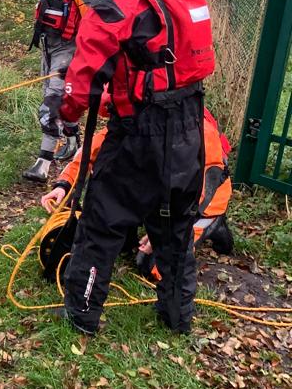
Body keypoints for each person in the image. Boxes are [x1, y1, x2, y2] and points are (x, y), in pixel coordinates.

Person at [57, 0, 215, 335]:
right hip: (189, 130)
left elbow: (81, 83)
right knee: (176, 231)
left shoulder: (114, 5)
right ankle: (177, 318)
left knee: (102, 222)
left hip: (139, 137)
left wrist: (64, 113)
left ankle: (82, 315)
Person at [41, 96, 233, 278]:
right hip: (164, 193)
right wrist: (64, 184)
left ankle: (215, 225)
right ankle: (136, 231)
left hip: (204, 204)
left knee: (155, 268)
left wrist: (168, 231)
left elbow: (208, 185)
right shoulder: (134, 117)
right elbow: (91, 151)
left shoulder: (193, 127)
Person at [22, 0, 101, 183]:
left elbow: (97, 25)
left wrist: (82, 60)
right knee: (62, 101)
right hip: (50, 48)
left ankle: (43, 164)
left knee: (51, 105)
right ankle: (74, 142)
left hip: (70, 51)